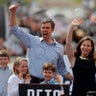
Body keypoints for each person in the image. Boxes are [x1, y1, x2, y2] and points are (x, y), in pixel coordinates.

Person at [9, 3, 74, 83]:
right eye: (43, 27)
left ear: (52, 30)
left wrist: (76, 78)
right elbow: (14, 30)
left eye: (47, 28)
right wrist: (13, 12)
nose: (45, 30)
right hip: (32, 81)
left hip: (50, 83)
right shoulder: (32, 41)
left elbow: (62, 69)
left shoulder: (59, 48)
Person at [65, 18, 96, 96]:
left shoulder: (94, 60)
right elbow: (68, 43)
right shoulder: (73, 59)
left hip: (92, 92)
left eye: (88, 46)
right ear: (80, 46)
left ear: (92, 48)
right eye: (84, 45)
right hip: (77, 92)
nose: (85, 47)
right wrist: (72, 26)